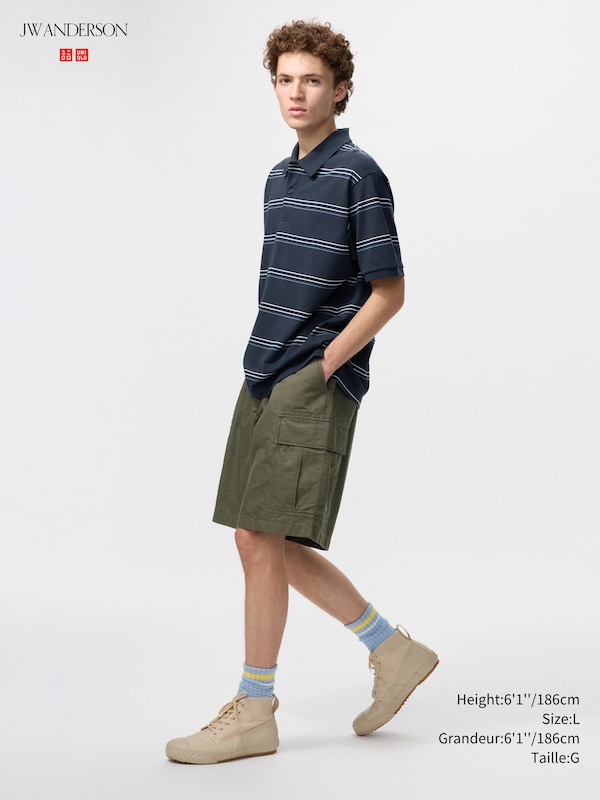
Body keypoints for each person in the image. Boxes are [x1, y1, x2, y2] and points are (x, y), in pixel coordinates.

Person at [165, 20, 438, 765]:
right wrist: (276, 363)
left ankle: (255, 708)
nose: (296, 92)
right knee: (260, 536)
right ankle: (392, 650)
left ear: (340, 90)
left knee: (260, 536)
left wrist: (326, 364)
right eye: (285, 79)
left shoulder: (358, 173)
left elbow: (390, 291)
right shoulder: (279, 178)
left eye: (312, 80)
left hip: (311, 375)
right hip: (263, 369)